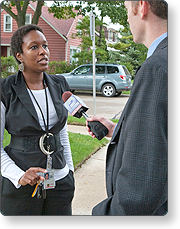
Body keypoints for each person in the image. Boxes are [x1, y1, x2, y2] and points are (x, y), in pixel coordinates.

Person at [86, 1, 167, 215]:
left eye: (125, 8)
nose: (127, 18)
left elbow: (139, 192)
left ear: (142, 6)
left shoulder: (157, 69)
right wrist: (117, 130)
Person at [1, 24, 74, 215]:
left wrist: (70, 172)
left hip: (61, 185)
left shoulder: (59, 84)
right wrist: (19, 176)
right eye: (34, 47)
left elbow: (61, 131)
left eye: (45, 46)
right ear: (19, 55)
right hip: (22, 187)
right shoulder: (5, 90)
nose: (43, 51)